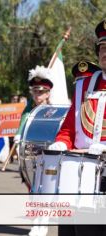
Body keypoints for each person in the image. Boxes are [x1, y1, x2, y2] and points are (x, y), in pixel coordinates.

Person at [48, 27, 106, 235]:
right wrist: (62, 142)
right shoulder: (85, 84)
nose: (105, 53)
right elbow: (69, 128)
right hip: (80, 175)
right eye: (102, 48)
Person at [13, 65, 54, 236]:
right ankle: (36, 222)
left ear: (48, 93)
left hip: (47, 154)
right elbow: (23, 126)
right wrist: (18, 137)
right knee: (33, 188)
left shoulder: (53, 110)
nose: (38, 95)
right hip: (30, 152)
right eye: (35, 91)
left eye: (42, 91)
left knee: (45, 190)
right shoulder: (28, 110)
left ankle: (43, 224)